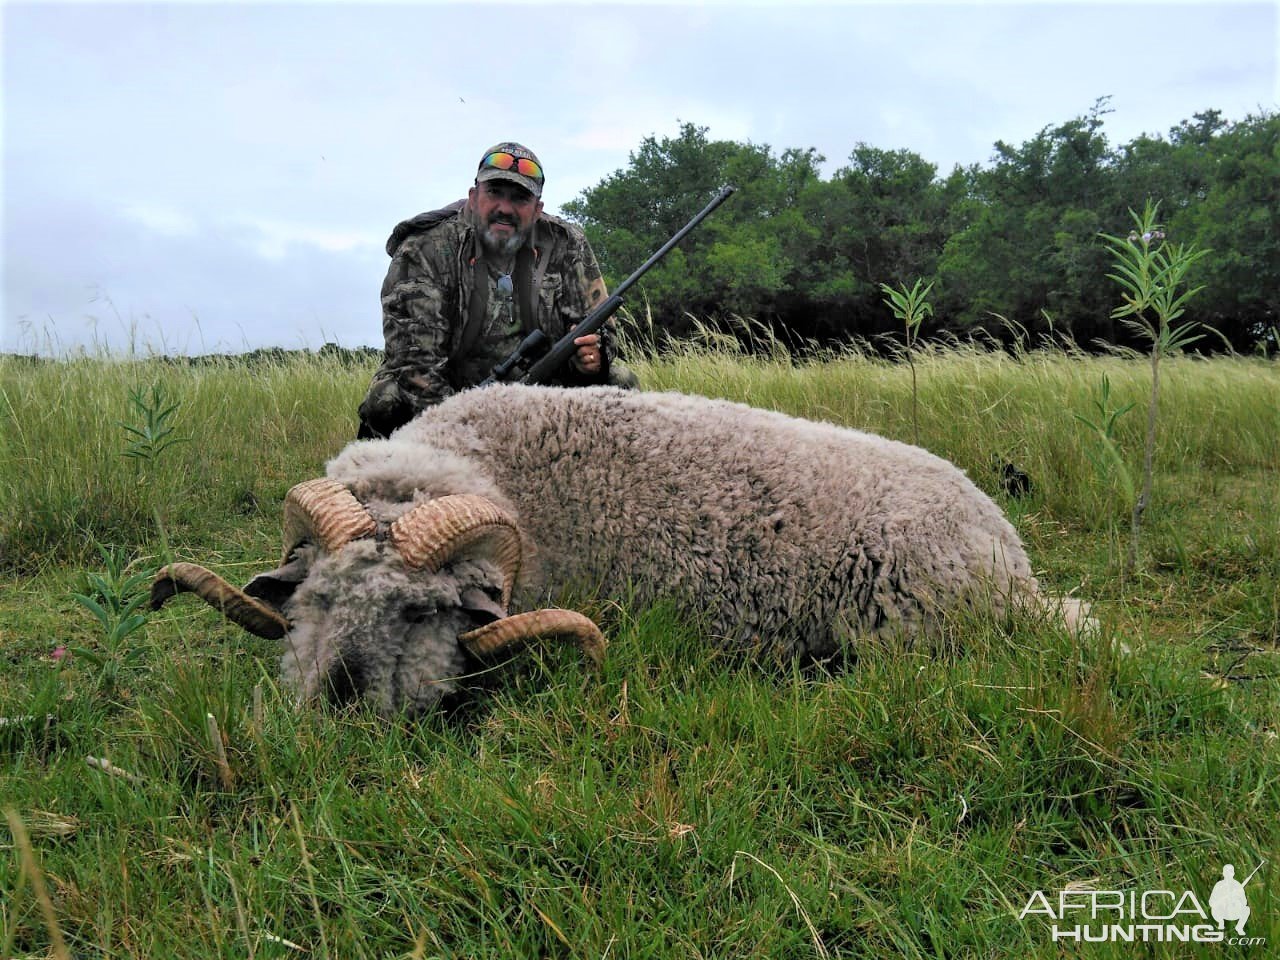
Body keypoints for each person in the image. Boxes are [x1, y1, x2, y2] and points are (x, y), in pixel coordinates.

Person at [357, 141, 636, 439]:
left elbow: (603, 332)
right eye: (494, 193)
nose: (505, 208)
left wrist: (592, 358)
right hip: (447, 402)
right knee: (387, 400)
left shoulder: (566, 243)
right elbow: (417, 368)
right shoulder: (424, 248)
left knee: (620, 381)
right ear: (474, 197)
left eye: (520, 198)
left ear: (537, 209)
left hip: (541, 396)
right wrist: (470, 438)